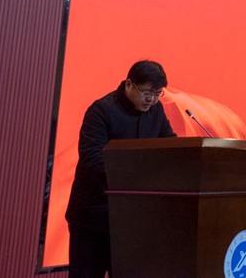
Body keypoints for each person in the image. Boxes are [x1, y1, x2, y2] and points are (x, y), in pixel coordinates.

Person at [65, 60, 176, 278]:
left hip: (132, 221)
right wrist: (138, 178)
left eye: (157, 94)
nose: (151, 99)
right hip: (93, 219)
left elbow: (169, 146)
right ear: (129, 84)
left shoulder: (156, 111)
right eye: (147, 92)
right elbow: (93, 160)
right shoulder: (101, 110)